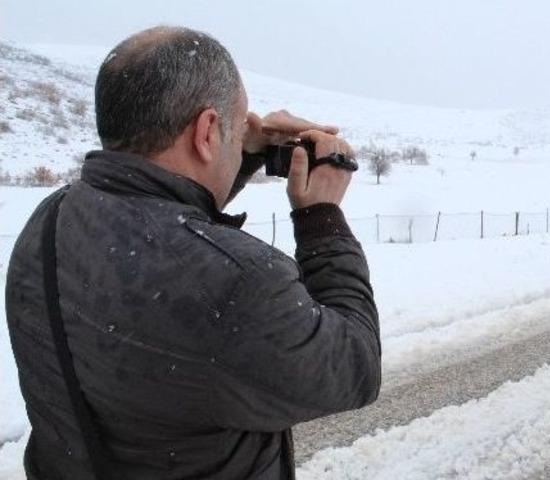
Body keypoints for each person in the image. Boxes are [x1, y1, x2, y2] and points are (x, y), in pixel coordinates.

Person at [5, 26, 381, 479]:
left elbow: (165, 228)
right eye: (237, 125)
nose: (244, 134)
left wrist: (244, 151)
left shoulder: (49, 220)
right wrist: (321, 218)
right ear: (206, 131)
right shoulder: (241, 284)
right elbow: (355, 364)